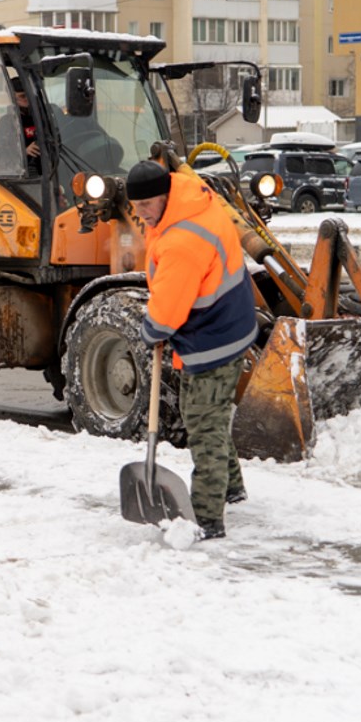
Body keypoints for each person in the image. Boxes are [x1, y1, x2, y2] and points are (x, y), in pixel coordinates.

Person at [125, 160, 258, 540]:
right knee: (211, 415)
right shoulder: (193, 202)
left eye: (148, 204)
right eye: (137, 206)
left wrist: (151, 330)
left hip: (212, 338)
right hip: (229, 325)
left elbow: (167, 311)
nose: (142, 213)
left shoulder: (182, 241)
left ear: (166, 195)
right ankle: (231, 487)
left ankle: (207, 517)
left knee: (203, 425)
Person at [8, 76, 40, 174]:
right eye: (22, 96)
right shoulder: (8, 122)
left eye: (29, 95)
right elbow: (5, 156)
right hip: (24, 172)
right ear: (13, 98)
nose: (27, 99)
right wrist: (25, 151)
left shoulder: (42, 117)